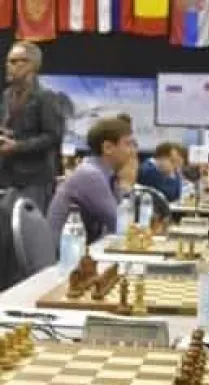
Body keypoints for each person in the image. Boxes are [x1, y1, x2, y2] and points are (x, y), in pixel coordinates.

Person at [48, 117, 136, 243]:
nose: (132, 152)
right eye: (128, 144)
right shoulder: (91, 176)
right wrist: (126, 185)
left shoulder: (105, 174)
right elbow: (121, 226)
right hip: (66, 251)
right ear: (108, 148)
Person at [0, 41, 63, 212]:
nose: (9, 66)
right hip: (8, 177)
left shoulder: (46, 97)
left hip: (35, 180)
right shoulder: (7, 95)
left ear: (31, 65)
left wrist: (17, 146)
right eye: (9, 61)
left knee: (27, 226)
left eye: (15, 61)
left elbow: (53, 136)